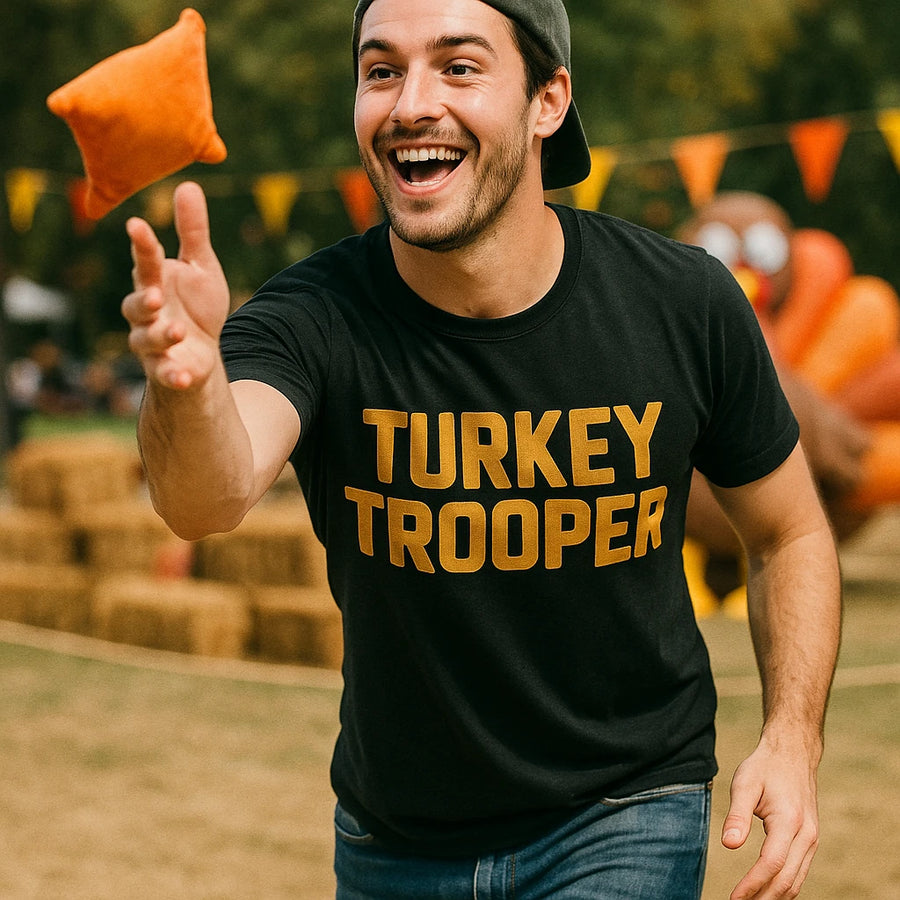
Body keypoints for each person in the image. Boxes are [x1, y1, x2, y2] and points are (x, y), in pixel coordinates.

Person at [122, 0, 841, 897]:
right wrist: (184, 385)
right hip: (393, 837)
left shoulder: (683, 303)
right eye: (381, 71)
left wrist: (792, 736)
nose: (411, 102)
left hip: (626, 810)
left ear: (549, 100)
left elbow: (791, 535)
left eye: (458, 67)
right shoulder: (313, 316)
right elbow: (206, 498)